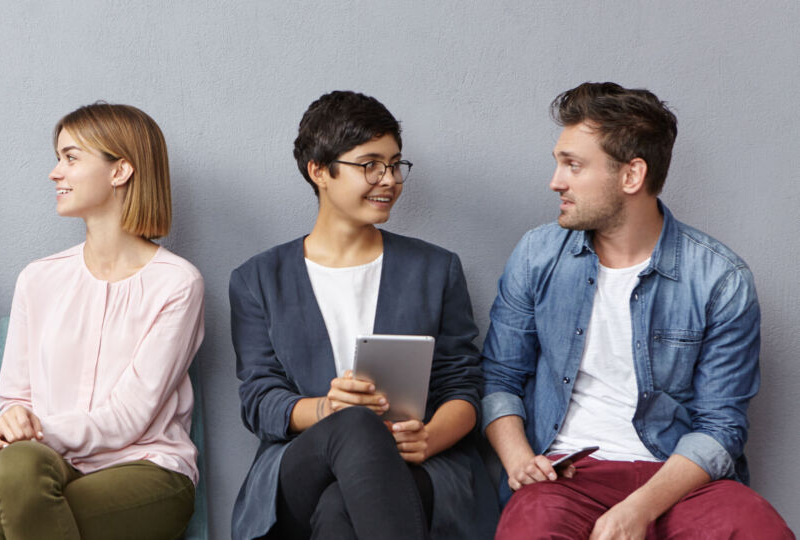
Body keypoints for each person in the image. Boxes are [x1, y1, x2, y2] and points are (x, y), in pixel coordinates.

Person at [482, 81, 793, 539]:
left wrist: (637, 509)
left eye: (573, 165)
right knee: (530, 527)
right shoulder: (537, 254)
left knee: (757, 529)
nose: (556, 182)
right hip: (566, 476)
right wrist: (519, 461)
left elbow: (721, 426)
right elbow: (500, 376)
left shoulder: (719, 278)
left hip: (679, 477)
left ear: (631, 176)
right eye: (559, 163)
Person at [230, 90, 498, 540]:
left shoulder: (435, 269)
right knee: (353, 423)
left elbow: (463, 385)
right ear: (320, 171)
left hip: (417, 464)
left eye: (395, 164)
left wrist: (430, 437)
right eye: (370, 164)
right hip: (302, 467)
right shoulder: (258, 278)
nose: (388, 179)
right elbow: (259, 398)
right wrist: (327, 408)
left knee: (340, 512)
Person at [0, 103, 204, 540]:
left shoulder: (177, 284)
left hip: (147, 473)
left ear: (120, 171)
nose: (54, 172)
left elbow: (129, 416)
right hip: (53, 469)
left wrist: (27, 432)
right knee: (17, 463)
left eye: (70, 157)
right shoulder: (38, 278)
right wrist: (12, 429)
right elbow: (15, 398)